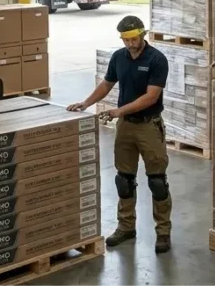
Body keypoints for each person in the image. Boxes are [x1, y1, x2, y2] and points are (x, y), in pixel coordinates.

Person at [68, 15, 172, 254]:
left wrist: (118, 111)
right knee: (124, 180)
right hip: (125, 127)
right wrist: (86, 103)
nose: (129, 43)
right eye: (125, 39)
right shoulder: (118, 57)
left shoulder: (157, 59)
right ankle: (126, 227)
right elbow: (107, 84)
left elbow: (151, 97)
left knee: (157, 181)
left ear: (142, 34)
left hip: (149, 126)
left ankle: (163, 232)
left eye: (133, 38)